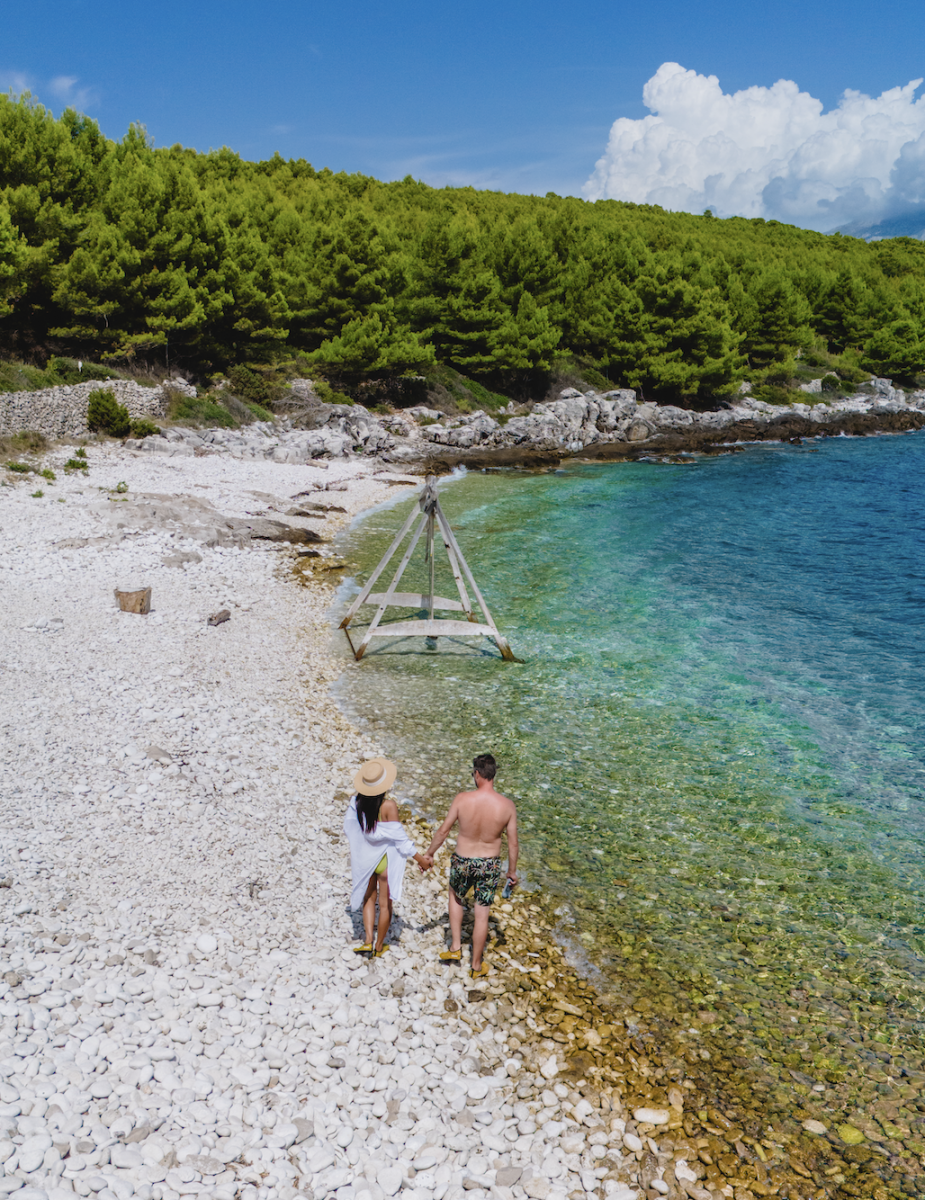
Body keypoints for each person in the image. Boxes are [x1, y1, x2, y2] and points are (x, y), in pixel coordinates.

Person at [424, 753, 518, 978]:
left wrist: (429, 853)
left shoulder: (462, 799)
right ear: (494, 774)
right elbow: (513, 843)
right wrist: (511, 872)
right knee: (482, 914)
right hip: (489, 864)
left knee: (456, 896)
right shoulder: (507, 806)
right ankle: (476, 965)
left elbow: (443, 830)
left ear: (477, 774)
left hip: (463, 860)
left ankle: (455, 947)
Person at [343, 757, 431, 956]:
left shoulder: (356, 803)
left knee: (368, 899)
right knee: (385, 904)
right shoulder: (388, 806)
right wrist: (422, 860)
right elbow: (401, 840)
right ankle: (379, 946)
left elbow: (349, 828)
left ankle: (367, 940)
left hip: (366, 860)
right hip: (384, 861)